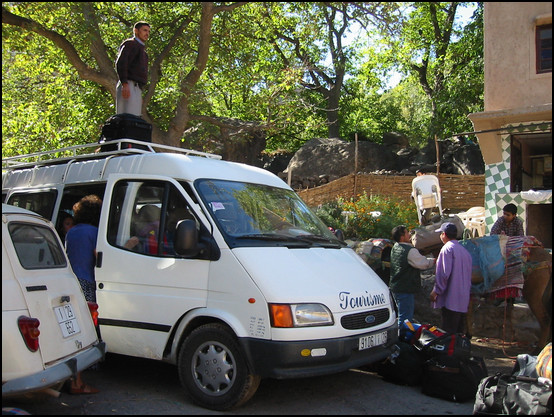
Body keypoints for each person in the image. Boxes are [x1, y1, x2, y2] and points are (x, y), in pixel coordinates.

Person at [65, 195, 102, 395]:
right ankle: (87, 368)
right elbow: (99, 254)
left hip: (71, 282)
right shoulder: (95, 232)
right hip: (87, 281)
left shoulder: (72, 232)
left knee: (75, 327)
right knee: (89, 326)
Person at [430, 222, 473, 335]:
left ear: (444, 234)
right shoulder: (464, 251)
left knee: (448, 332)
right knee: (458, 332)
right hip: (463, 299)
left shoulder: (447, 249)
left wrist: (436, 291)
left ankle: (448, 352)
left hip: (451, 298)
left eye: (440, 233)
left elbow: (443, 274)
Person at [389, 225, 435, 326]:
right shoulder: (409, 251)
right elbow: (423, 263)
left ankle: (401, 335)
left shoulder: (395, 247)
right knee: (405, 318)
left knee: (401, 314)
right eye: (406, 233)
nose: (409, 235)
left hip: (396, 286)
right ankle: (403, 338)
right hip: (405, 288)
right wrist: (435, 261)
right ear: (402, 237)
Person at [115, 21, 150, 116]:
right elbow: (121, 63)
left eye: (148, 31)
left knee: (134, 119)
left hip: (137, 87)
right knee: (125, 118)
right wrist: (124, 83)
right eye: (144, 30)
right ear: (136, 31)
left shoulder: (144, 53)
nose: (147, 33)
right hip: (128, 84)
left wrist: (139, 93)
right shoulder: (130, 44)